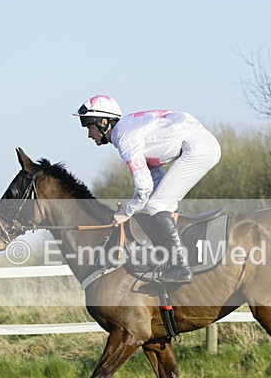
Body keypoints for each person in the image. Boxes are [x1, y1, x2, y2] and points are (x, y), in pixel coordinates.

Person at [74, 94, 222, 284]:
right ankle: (173, 257)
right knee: (159, 204)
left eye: (89, 127)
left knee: (157, 205)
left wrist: (127, 212)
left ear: (103, 122)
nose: (89, 135)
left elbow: (143, 187)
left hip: (199, 148)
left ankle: (180, 268)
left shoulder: (125, 137)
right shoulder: (128, 131)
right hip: (202, 145)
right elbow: (155, 177)